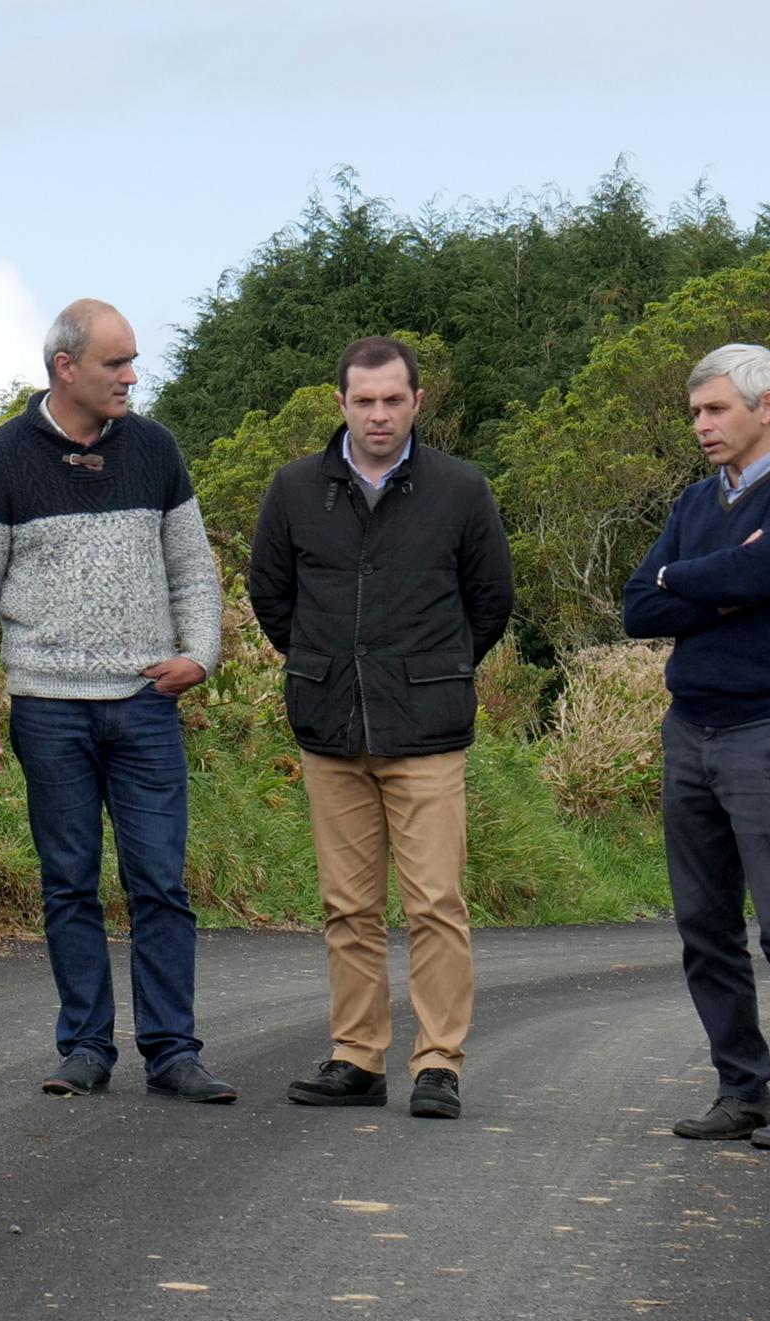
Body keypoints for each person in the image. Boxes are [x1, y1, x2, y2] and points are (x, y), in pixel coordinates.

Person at [0, 298, 234, 1102]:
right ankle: (84, 1048)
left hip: (145, 701)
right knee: (68, 880)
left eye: (133, 361)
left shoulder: (155, 449)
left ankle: (174, 1052)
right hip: (48, 706)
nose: (132, 377)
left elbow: (192, 567)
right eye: (117, 363)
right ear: (65, 367)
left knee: (160, 882)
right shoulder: (0, 459)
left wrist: (200, 656)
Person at [247, 335, 513, 1119]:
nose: (379, 414)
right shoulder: (295, 488)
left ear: (417, 403)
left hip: (427, 729)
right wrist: (328, 665)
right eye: (364, 400)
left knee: (435, 902)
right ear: (340, 404)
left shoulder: (462, 489)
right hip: (330, 727)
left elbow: (489, 601)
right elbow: (272, 598)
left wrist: (431, 669)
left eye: (393, 399)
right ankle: (357, 1058)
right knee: (348, 906)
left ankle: (438, 1064)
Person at [620, 342, 770, 1152]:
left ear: (766, 408)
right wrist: (707, 582)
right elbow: (636, 610)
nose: (701, 425)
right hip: (691, 729)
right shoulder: (693, 500)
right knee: (704, 923)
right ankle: (742, 1089)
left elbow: (752, 581)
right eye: (694, 412)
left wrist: (687, 581)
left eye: (715, 409)